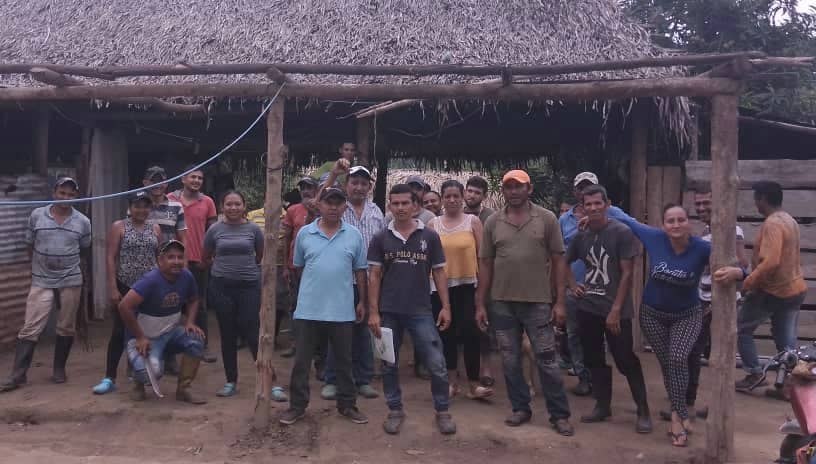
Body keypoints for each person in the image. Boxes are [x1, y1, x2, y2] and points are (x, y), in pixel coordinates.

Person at [475, 170, 574, 436]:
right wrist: (481, 303)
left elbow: (558, 260)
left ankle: (559, 414)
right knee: (509, 359)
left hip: (538, 302)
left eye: (519, 187)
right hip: (501, 303)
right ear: (504, 191)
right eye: (508, 187)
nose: (513, 191)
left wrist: (560, 302)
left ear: (529, 189)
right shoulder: (493, 222)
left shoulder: (546, 219)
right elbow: (485, 264)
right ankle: (520, 408)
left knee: (547, 360)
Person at [614, 205, 710, 447]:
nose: (676, 225)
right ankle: (681, 411)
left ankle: (678, 417)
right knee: (668, 364)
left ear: (689, 222)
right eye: (670, 221)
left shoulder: (702, 248)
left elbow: (736, 264)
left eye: (681, 219)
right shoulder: (654, 238)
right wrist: (592, 215)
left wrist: (738, 273)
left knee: (678, 358)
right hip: (652, 314)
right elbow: (624, 217)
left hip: (687, 314)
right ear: (663, 224)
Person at [368, 184, 456, 435]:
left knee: (437, 364)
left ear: (415, 205)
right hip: (388, 311)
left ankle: (442, 411)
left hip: (421, 311)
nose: (401, 208)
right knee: (388, 364)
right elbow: (374, 276)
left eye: (406, 203)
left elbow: (439, 272)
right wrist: (374, 312)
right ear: (390, 206)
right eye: (395, 204)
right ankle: (395, 410)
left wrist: (446, 307)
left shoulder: (429, 237)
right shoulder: (380, 238)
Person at [565, 185, 652, 433]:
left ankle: (643, 410)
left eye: (597, 203)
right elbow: (563, 260)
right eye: (588, 204)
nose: (592, 208)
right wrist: (572, 284)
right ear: (582, 206)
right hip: (588, 307)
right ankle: (603, 406)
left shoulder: (621, 232)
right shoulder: (581, 235)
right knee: (593, 359)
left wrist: (615, 309)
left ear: (607, 204)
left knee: (626, 360)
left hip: (616, 309)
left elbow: (627, 274)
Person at [280, 187, 369, 426]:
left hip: (342, 309)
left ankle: (347, 405)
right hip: (309, 309)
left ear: (344, 207)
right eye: (329, 202)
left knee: (344, 360)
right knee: (301, 361)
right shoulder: (305, 234)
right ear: (320, 205)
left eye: (338, 203)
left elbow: (360, 271)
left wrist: (362, 300)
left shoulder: (354, 235)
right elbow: (298, 266)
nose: (333, 207)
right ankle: (297, 407)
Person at [657, 187, 747, 420]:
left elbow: (744, 265)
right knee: (693, 354)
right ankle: (689, 402)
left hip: (718, 307)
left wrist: (736, 274)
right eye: (698, 204)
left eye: (706, 203)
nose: (701, 208)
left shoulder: (730, 230)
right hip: (702, 304)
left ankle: (702, 405)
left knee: (713, 356)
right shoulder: (707, 232)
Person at [715, 181, 807, 395]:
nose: (755, 203)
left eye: (756, 198)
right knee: (786, 340)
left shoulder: (773, 224)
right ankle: (789, 386)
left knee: (741, 327)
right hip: (795, 289)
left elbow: (772, 261)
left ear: (763, 199)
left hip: (772, 290)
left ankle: (754, 374)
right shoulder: (789, 220)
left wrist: (748, 282)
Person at [0, 177, 91, 392]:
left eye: (70, 194)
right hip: (41, 278)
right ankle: (18, 374)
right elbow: (29, 245)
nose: (66, 198)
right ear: (54, 193)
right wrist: (37, 268)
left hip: (70, 278)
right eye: (62, 193)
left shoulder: (83, 221)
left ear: (75, 197)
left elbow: (84, 250)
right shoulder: (37, 215)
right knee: (31, 326)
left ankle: (59, 369)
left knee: (66, 326)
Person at [559, 172, 635, 396]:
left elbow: (635, 228)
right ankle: (585, 378)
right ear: (576, 194)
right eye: (581, 189)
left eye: (590, 187)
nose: (585, 193)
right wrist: (569, 286)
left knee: (615, 346)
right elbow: (559, 255)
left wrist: (596, 219)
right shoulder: (564, 219)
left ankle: (607, 387)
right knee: (576, 335)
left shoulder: (614, 215)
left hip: (607, 291)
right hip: (579, 290)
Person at [320, 163, 384, 401]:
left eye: (363, 184)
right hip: (341, 281)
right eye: (354, 182)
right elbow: (319, 201)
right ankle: (332, 379)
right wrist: (334, 173)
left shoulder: (377, 212)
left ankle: (363, 379)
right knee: (338, 331)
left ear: (369, 187)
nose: (358, 187)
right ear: (346, 185)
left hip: (369, 282)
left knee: (364, 331)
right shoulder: (337, 209)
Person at [119, 239, 207, 404]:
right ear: (160, 260)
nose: (176, 262)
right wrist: (139, 337)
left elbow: (194, 299)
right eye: (171, 257)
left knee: (196, 339)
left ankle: (184, 389)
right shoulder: (150, 281)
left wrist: (190, 322)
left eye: (180, 257)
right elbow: (124, 306)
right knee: (151, 372)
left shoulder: (187, 276)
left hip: (170, 332)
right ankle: (138, 383)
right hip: (146, 337)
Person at [428, 180, 492, 400]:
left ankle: (474, 385)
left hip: (468, 287)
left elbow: (483, 259)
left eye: (456, 195)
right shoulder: (433, 225)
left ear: (463, 196)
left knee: (471, 333)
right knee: (446, 334)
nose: (452, 200)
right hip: (441, 289)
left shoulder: (473, 222)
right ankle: (451, 382)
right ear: (442, 199)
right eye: (448, 196)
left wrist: (481, 293)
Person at [92, 192, 161, 395]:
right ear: (130, 207)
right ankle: (109, 377)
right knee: (120, 331)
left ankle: (139, 373)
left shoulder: (155, 228)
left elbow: (159, 258)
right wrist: (112, 287)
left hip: (150, 287)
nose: (141, 210)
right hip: (125, 285)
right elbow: (110, 258)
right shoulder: (119, 226)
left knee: (145, 330)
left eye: (145, 206)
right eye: (137, 206)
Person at [202, 191, 266, 398]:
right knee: (227, 334)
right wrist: (224, 270)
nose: (233, 208)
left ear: (244, 206)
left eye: (237, 204)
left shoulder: (254, 229)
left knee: (253, 332)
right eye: (228, 204)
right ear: (222, 207)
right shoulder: (214, 230)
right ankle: (231, 381)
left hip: (249, 286)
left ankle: (268, 381)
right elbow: (206, 256)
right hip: (221, 288)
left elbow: (260, 255)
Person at [169, 166, 218, 363]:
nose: (196, 181)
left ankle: (201, 346)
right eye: (193, 177)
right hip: (171, 260)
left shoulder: (207, 202)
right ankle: (169, 350)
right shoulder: (170, 199)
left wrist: (210, 256)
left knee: (199, 304)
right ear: (183, 179)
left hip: (198, 260)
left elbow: (213, 231)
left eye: (199, 178)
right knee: (171, 303)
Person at [143, 165, 187, 376]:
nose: (157, 184)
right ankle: (142, 359)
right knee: (147, 313)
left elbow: (182, 238)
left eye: (161, 180)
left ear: (166, 184)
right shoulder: (139, 205)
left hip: (171, 269)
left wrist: (183, 266)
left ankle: (169, 358)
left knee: (170, 311)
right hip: (145, 268)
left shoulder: (176, 207)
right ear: (145, 183)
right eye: (153, 180)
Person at [280, 176, 320, 359]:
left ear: (317, 189)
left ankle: (316, 348)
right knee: (295, 305)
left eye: (310, 187)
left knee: (317, 307)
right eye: (303, 187)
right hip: (295, 266)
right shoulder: (293, 210)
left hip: (317, 267)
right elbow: (286, 239)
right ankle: (295, 343)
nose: (306, 191)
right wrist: (285, 267)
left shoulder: (323, 209)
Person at [464, 175, 497, 387]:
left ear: (484, 196)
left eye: (477, 192)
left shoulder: (491, 217)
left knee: (484, 322)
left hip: (487, 277)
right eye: (470, 191)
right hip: (464, 278)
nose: (472, 195)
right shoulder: (456, 214)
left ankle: (486, 367)